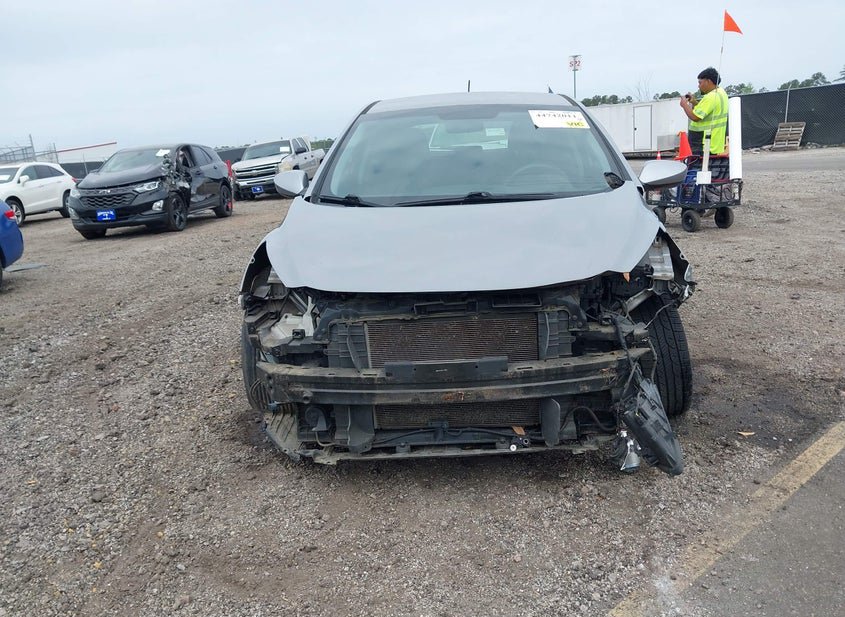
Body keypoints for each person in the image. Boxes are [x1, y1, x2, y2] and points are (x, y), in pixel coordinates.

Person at [679, 67, 729, 157]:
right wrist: (694, 102)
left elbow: (695, 117)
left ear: (708, 81)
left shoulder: (711, 97)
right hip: (714, 142)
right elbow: (706, 112)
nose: (699, 86)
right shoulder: (721, 93)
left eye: (700, 82)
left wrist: (684, 105)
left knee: (698, 165)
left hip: (703, 143)